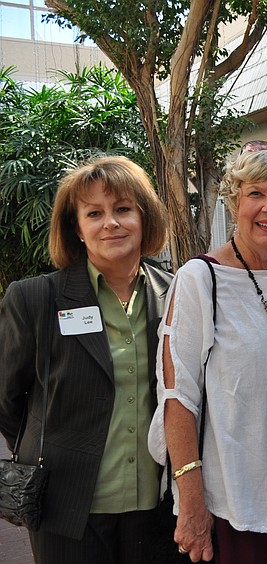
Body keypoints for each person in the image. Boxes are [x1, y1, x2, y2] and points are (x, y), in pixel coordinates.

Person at [147, 143, 267, 564]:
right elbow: (178, 398)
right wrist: (191, 505)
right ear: (233, 202)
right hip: (230, 507)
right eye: (256, 194)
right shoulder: (199, 279)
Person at [0, 156, 173, 563]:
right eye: (94, 213)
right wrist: (46, 446)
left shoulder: (177, 293)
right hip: (67, 506)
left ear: (144, 217)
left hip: (156, 506)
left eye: (123, 209)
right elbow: (6, 401)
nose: (111, 223)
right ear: (76, 229)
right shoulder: (34, 299)